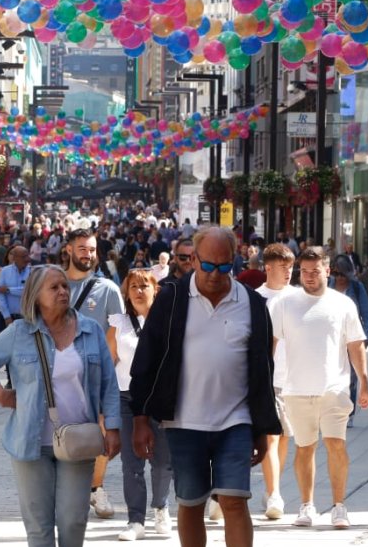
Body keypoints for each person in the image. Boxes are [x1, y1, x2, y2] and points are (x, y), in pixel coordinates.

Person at [129, 227, 280, 547]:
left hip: (236, 422)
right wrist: (140, 418)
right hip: (183, 423)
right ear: (194, 260)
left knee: (234, 501)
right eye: (209, 266)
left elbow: (263, 369)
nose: (215, 274)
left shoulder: (252, 304)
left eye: (224, 267)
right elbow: (147, 359)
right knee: (191, 503)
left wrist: (263, 428)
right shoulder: (171, 300)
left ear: (235, 263)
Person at [0, 266, 122, 547]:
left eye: (64, 286)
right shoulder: (19, 332)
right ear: (36, 296)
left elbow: (108, 384)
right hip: (30, 443)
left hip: (79, 440)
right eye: (54, 288)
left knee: (73, 521)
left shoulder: (90, 331)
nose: (63, 291)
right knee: (39, 529)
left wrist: (113, 426)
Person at [268, 247, 368, 529]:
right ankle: (306, 505)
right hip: (296, 388)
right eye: (305, 272)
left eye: (315, 272)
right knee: (304, 448)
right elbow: (271, 343)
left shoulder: (343, 304)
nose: (309, 277)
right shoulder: (284, 304)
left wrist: (364, 382)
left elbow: (355, 344)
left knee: (336, 444)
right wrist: (264, 380)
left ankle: (339, 506)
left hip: (334, 388)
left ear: (328, 271)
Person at [61, 228, 126, 518]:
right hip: (59, 376)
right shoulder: (54, 283)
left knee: (101, 433)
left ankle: (95, 488)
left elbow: (116, 331)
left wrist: (107, 368)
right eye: (82, 248)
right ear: (69, 250)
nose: (87, 254)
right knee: (60, 433)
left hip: (96, 372)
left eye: (91, 249)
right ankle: (65, 490)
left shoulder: (108, 289)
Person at [107, 270, 174, 541]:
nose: (138, 291)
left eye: (144, 286)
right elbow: (108, 365)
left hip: (159, 398)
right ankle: (135, 519)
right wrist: (104, 406)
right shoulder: (118, 323)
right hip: (126, 398)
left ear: (155, 290)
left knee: (162, 461)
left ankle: (161, 507)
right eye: (133, 286)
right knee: (131, 462)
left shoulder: (167, 321)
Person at [253, 244, 296, 521]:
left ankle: (273, 486)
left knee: (283, 437)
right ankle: (274, 493)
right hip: (267, 377)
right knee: (269, 436)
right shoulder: (256, 298)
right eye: (283, 267)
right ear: (268, 268)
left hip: (293, 378)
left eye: (291, 267)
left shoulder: (299, 297)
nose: (289, 272)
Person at [0, 246, 33, 331]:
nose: (28, 259)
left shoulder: (31, 272)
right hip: (6, 318)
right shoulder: (4, 271)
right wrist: (7, 316)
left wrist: (8, 290)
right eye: (24, 256)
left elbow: (28, 291)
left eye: (28, 255)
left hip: (25, 318)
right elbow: (0, 295)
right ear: (15, 258)